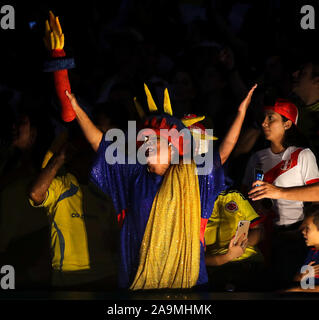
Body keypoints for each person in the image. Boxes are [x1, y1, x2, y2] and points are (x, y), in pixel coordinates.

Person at [45, 11, 257, 290]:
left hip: (188, 290)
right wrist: (66, 84)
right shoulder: (130, 175)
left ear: (173, 149)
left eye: (153, 141)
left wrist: (241, 113)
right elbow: (99, 142)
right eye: (143, 140)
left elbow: (225, 153)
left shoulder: (193, 180)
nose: (145, 144)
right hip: (138, 287)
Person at [242, 98, 319, 289]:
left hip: (298, 237)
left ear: (287, 123)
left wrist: (279, 192)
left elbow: (317, 193)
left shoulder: (302, 155)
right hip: (265, 235)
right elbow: (244, 197)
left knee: (296, 288)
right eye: (263, 118)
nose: (264, 123)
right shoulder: (257, 157)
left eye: (271, 118)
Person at [28, 130, 119, 290]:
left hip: (107, 277)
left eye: (92, 154)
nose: (90, 159)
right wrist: (59, 159)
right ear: (72, 159)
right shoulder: (61, 186)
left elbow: (114, 239)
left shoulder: (104, 192)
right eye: (83, 154)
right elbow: (36, 193)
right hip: (71, 281)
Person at [204, 189, 265, 291]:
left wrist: (243, 244)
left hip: (251, 262)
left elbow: (259, 230)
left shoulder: (233, 196)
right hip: (220, 268)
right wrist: (229, 256)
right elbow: (197, 260)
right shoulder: (191, 205)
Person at [293, 205, 319, 288]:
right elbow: (302, 284)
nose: (303, 232)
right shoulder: (311, 253)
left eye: (307, 228)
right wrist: (302, 276)